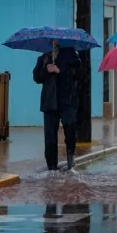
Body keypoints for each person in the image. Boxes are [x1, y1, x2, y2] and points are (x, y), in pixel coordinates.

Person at [32, 41, 81, 171]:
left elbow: (78, 73)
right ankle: (51, 166)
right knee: (50, 137)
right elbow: (36, 77)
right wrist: (46, 71)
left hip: (67, 100)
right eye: (51, 41)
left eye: (55, 41)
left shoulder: (71, 54)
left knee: (70, 129)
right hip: (49, 102)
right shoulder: (44, 57)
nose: (53, 43)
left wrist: (60, 70)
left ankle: (71, 159)